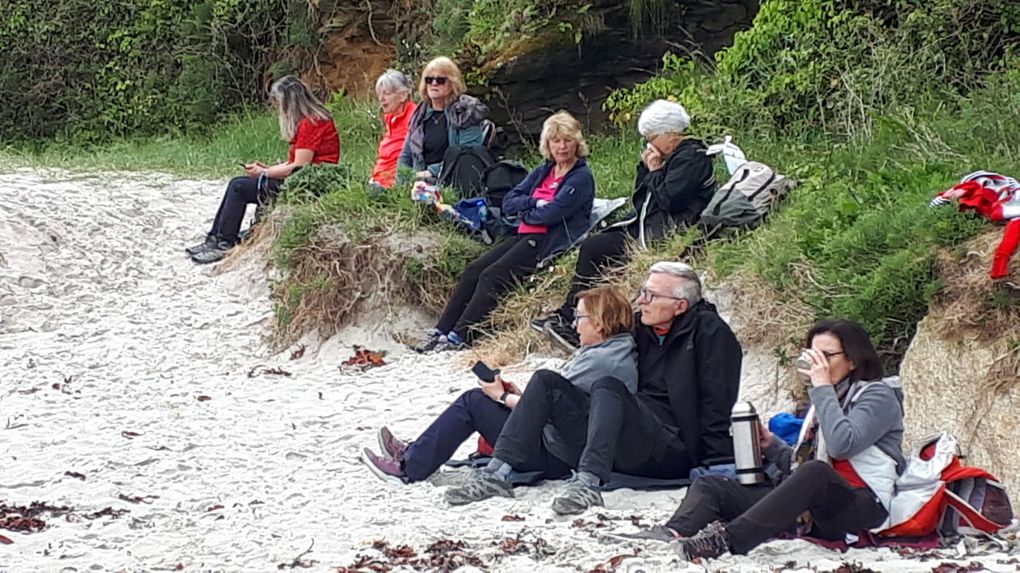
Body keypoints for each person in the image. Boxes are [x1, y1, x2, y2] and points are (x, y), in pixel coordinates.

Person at [443, 262, 742, 516]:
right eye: (642, 292)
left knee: (608, 386)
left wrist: (716, 463)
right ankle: (497, 473)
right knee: (546, 380)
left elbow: (717, 404)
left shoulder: (711, 334)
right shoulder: (644, 327)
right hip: (632, 434)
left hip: (672, 445)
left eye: (651, 295)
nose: (641, 300)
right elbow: (601, 346)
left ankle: (588, 484)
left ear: (679, 306)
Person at [645, 319, 904, 562]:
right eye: (812, 356)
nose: (817, 365)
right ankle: (672, 533)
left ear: (853, 360)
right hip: (811, 505)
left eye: (826, 356)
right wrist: (771, 446)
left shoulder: (877, 395)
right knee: (712, 485)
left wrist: (822, 388)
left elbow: (841, 445)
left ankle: (726, 542)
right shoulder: (828, 397)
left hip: (863, 505)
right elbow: (801, 467)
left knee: (816, 473)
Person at [361, 286, 638, 484]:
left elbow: (554, 408)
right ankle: (414, 454)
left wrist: (503, 396)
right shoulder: (612, 351)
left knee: (473, 402)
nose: (574, 324)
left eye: (579, 318)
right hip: (558, 442)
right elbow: (562, 403)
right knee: (479, 400)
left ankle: (409, 468)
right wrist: (519, 396)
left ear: (600, 323)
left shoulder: (602, 361)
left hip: (555, 453)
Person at [531, 99, 716, 351]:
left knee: (596, 251)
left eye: (652, 137)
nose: (650, 144)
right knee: (594, 246)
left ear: (671, 135)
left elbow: (669, 200)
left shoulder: (693, 158)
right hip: (646, 222)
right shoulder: (670, 156)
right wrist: (647, 169)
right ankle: (570, 315)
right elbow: (641, 197)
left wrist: (654, 171)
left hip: (665, 229)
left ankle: (576, 320)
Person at [414, 111, 595, 352]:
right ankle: (441, 330)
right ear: (548, 145)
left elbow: (553, 214)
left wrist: (529, 210)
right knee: (473, 271)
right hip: (524, 232)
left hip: (547, 239)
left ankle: (460, 336)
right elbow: (510, 200)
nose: (562, 147)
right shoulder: (546, 170)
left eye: (567, 140)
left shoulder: (580, 177)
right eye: (556, 141)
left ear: (577, 143)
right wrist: (533, 205)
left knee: (493, 276)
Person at [186, 76, 340, 264]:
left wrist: (263, 173)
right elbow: (295, 162)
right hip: (307, 179)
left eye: (279, 104)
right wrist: (268, 169)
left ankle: (223, 241)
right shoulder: (314, 120)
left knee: (238, 187)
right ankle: (216, 238)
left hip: (308, 186)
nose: (278, 109)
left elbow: (300, 167)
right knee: (238, 184)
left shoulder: (311, 124)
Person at [397, 56, 487, 183]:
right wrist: (401, 185)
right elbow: (406, 156)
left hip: (452, 181)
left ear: (452, 84)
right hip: (419, 182)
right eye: (429, 79)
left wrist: (432, 172)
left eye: (440, 80)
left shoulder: (466, 113)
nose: (433, 83)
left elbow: (467, 157)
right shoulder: (420, 114)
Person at [369, 70, 416, 191]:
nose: (381, 98)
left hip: (397, 185)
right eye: (379, 94)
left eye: (386, 94)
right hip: (379, 180)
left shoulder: (414, 118)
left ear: (402, 96)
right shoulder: (391, 118)